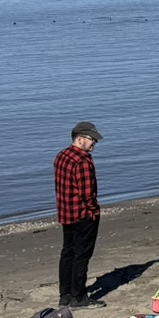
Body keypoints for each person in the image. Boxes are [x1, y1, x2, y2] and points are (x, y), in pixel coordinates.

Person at [53, 121, 103, 307]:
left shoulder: (62, 156)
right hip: (82, 215)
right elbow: (87, 193)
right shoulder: (82, 160)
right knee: (81, 255)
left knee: (68, 252)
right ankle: (79, 296)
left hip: (66, 213)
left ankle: (65, 293)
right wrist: (94, 210)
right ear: (80, 139)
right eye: (92, 140)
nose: (94, 144)